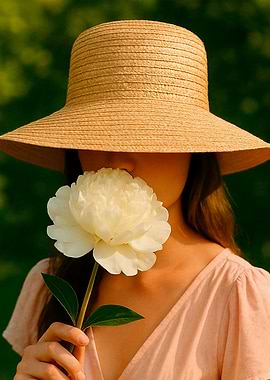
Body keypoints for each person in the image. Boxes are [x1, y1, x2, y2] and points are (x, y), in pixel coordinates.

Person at [1, 19, 270, 380]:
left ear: (196, 151)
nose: (117, 158)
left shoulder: (240, 296)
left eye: (150, 135)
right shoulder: (49, 283)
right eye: (95, 134)